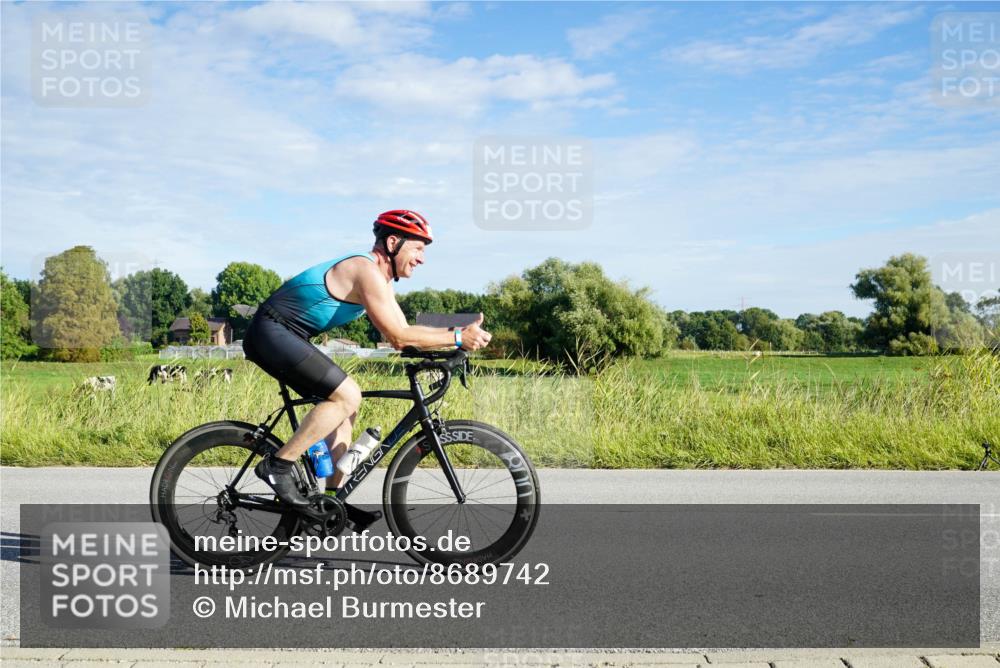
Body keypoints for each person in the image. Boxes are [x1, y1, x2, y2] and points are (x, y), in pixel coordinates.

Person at [241, 210, 492, 506]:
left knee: (345, 411)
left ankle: (331, 501)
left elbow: (407, 334)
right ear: (393, 242)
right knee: (347, 395)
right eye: (418, 248)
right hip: (271, 330)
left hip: (288, 335)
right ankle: (277, 466)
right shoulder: (366, 270)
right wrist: (459, 336)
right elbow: (399, 336)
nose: (422, 258)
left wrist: (452, 346)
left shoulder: (383, 281)